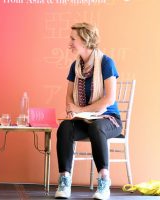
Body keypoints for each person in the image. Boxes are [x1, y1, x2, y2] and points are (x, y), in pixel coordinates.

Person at [55, 22, 122, 200]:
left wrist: (79, 109)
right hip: (84, 119)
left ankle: (104, 181)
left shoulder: (106, 63)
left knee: (96, 126)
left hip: (109, 119)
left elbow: (109, 99)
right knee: (65, 127)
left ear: (84, 40)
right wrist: (72, 110)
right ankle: (65, 179)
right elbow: (68, 97)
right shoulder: (75, 67)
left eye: (72, 39)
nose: (69, 42)